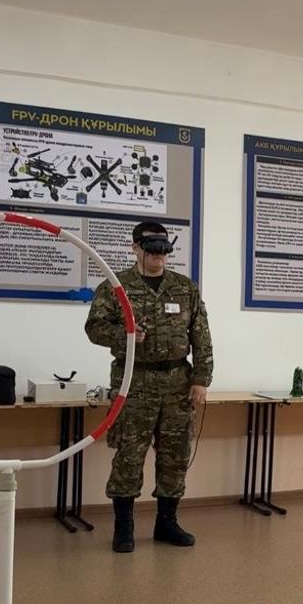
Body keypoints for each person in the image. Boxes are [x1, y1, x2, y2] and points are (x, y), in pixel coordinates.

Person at [85, 221, 213, 553]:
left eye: (164, 251)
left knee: (174, 456)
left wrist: (201, 379)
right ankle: (124, 527)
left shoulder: (184, 288)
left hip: (177, 383)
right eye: (152, 250)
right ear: (136, 248)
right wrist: (125, 335)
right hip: (134, 382)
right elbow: (94, 328)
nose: (159, 257)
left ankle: (167, 523)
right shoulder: (116, 287)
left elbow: (201, 336)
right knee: (129, 455)